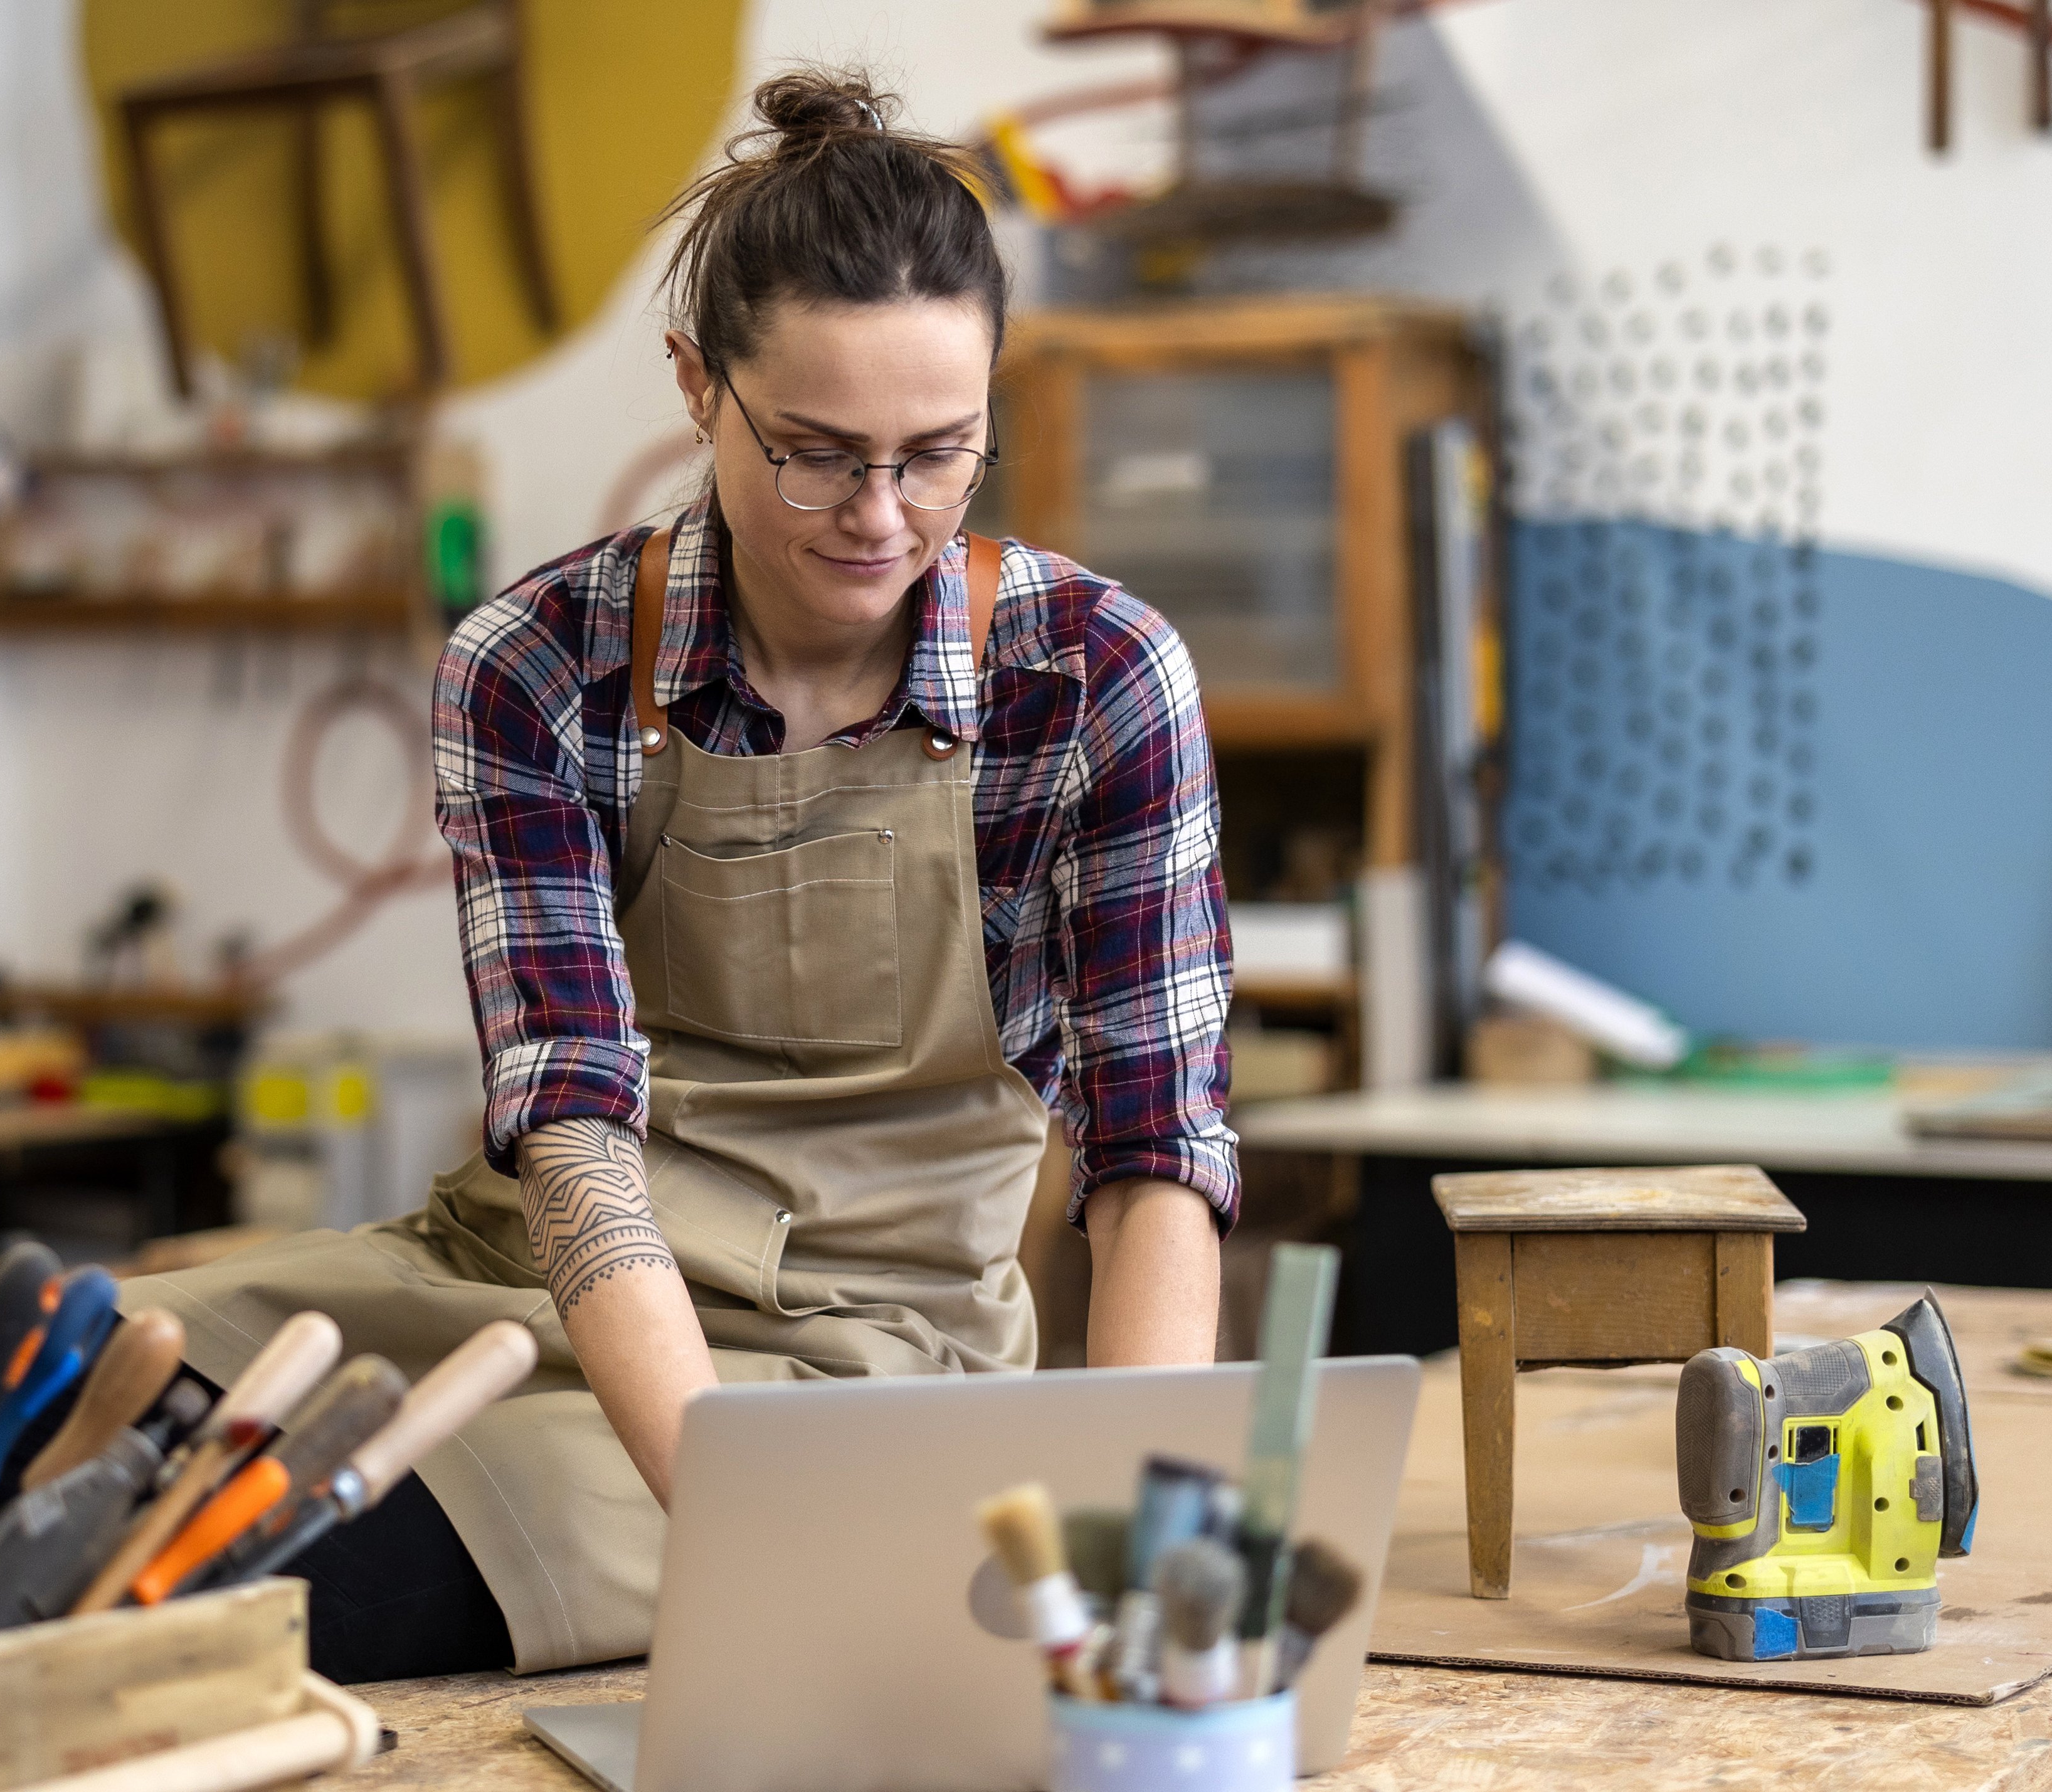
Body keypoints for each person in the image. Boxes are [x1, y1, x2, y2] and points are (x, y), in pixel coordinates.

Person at [124, 66, 1237, 1683]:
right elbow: (571, 1126)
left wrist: (1138, 1528)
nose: (881, 518)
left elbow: (1158, 1147)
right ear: (696, 386)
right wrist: (723, 1503)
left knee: (281, 1573)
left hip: (862, 1360)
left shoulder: (1093, 675)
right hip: (534, 1282)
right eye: (815, 453)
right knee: (39, 1390)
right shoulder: (538, 666)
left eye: (941, 457)